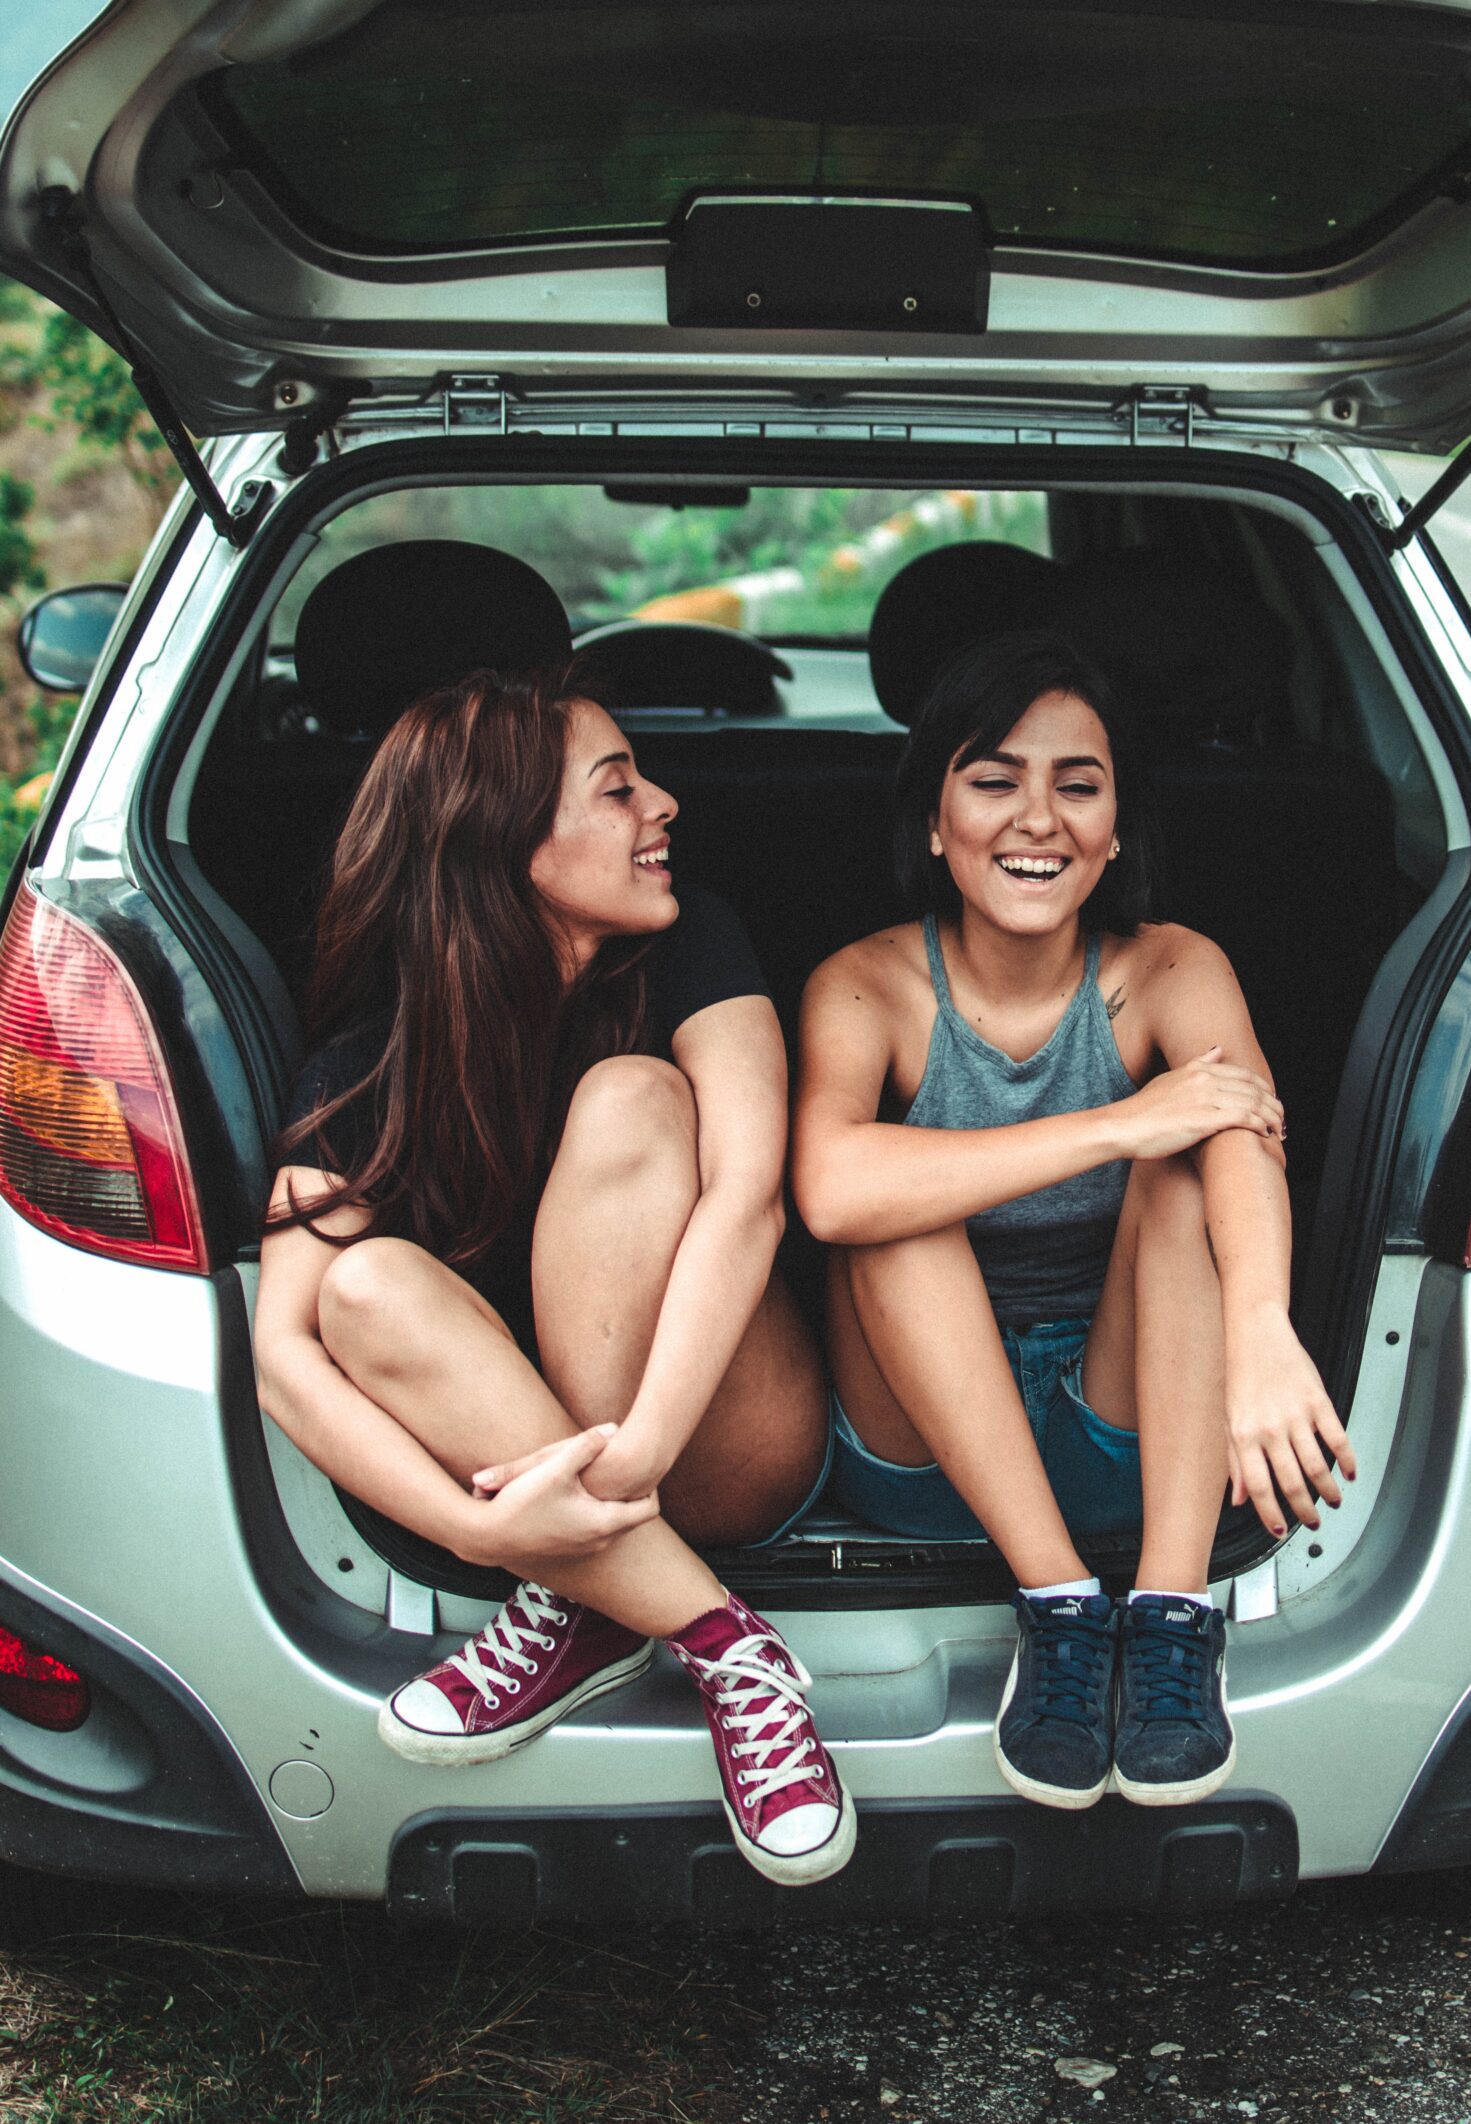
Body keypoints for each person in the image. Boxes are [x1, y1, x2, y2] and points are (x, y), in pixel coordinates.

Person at [253, 664, 854, 1887]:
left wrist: (624, 1467)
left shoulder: (695, 950)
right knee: (356, 1289)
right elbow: (281, 1357)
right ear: (510, 842)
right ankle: (717, 1642)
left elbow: (751, 1197)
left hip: (722, 1437)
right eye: (618, 788)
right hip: (537, 1490)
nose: (664, 806)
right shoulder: (371, 1061)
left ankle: (581, 1599)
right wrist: (486, 1528)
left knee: (631, 1097)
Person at [791, 633, 1355, 1812]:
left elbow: (1245, 1131)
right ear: (936, 823)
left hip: (1131, 1439)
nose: (1035, 818)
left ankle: (1165, 1610)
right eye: (993, 780)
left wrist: (1259, 1332)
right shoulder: (866, 983)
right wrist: (1116, 1123)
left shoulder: (1170, 967)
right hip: (923, 1450)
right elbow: (831, 1191)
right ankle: (1056, 1606)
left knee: (1191, 1168)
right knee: (899, 1203)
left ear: (1113, 834)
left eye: (1076, 785)